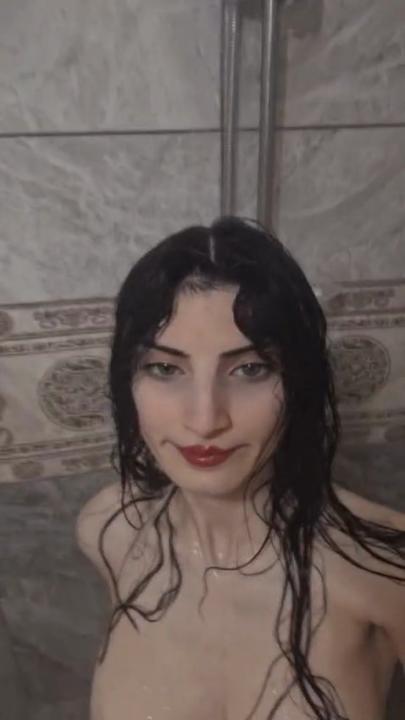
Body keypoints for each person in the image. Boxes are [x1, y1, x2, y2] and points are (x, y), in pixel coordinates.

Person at [76, 216, 405, 720]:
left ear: (298, 382)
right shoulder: (110, 530)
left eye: (250, 369)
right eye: (165, 368)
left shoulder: (383, 564)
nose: (205, 419)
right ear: (128, 382)